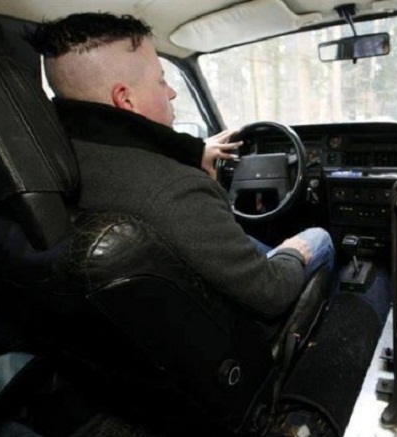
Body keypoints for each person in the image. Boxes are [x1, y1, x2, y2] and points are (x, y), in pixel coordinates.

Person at [25, 12, 334, 319]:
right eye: (161, 80)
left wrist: (194, 152)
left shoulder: (50, 164)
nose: (171, 92)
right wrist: (293, 251)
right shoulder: (180, 191)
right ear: (126, 99)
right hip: (238, 332)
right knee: (317, 237)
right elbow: (270, 292)